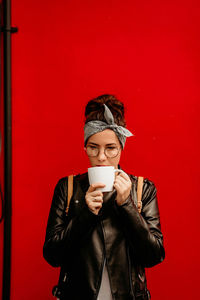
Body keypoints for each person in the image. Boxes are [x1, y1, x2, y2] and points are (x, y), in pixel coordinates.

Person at [43, 94, 165, 300]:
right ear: (84, 147)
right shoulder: (68, 187)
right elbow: (53, 256)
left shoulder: (143, 189)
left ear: (121, 148)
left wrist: (126, 205)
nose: (101, 157)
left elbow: (153, 256)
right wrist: (86, 214)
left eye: (110, 148)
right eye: (93, 147)